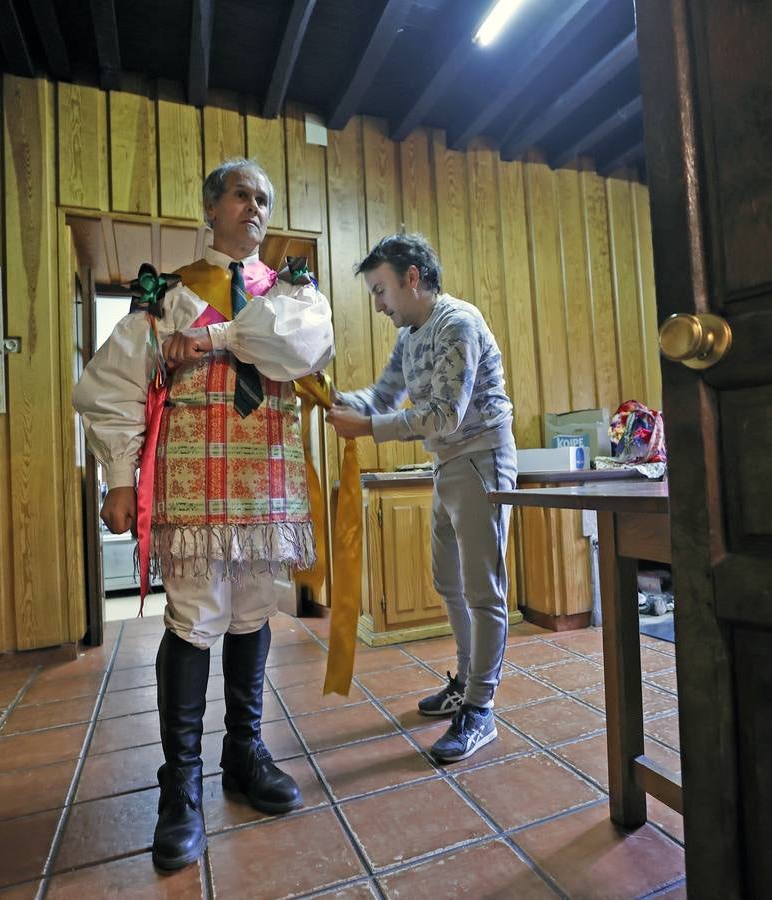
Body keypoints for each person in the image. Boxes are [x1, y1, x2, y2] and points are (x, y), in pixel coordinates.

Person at [73, 158, 334, 871]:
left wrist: (215, 341)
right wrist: (121, 478)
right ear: (212, 206)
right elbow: (112, 385)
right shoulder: (169, 293)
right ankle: (179, 789)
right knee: (195, 620)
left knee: (254, 613)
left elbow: (296, 348)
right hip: (193, 487)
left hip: (267, 486)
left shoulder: (292, 292)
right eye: (243, 195)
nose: (256, 207)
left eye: (265, 199)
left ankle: (243, 754)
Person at [326, 233, 516, 764]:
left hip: (482, 459)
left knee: (483, 592)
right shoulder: (411, 335)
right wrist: (331, 396)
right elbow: (382, 396)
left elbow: (445, 415)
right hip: (448, 464)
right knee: (448, 582)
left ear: (413, 278)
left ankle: (481, 709)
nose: (379, 304)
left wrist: (365, 427)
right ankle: (466, 683)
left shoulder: (458, 322)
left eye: (381, 290)